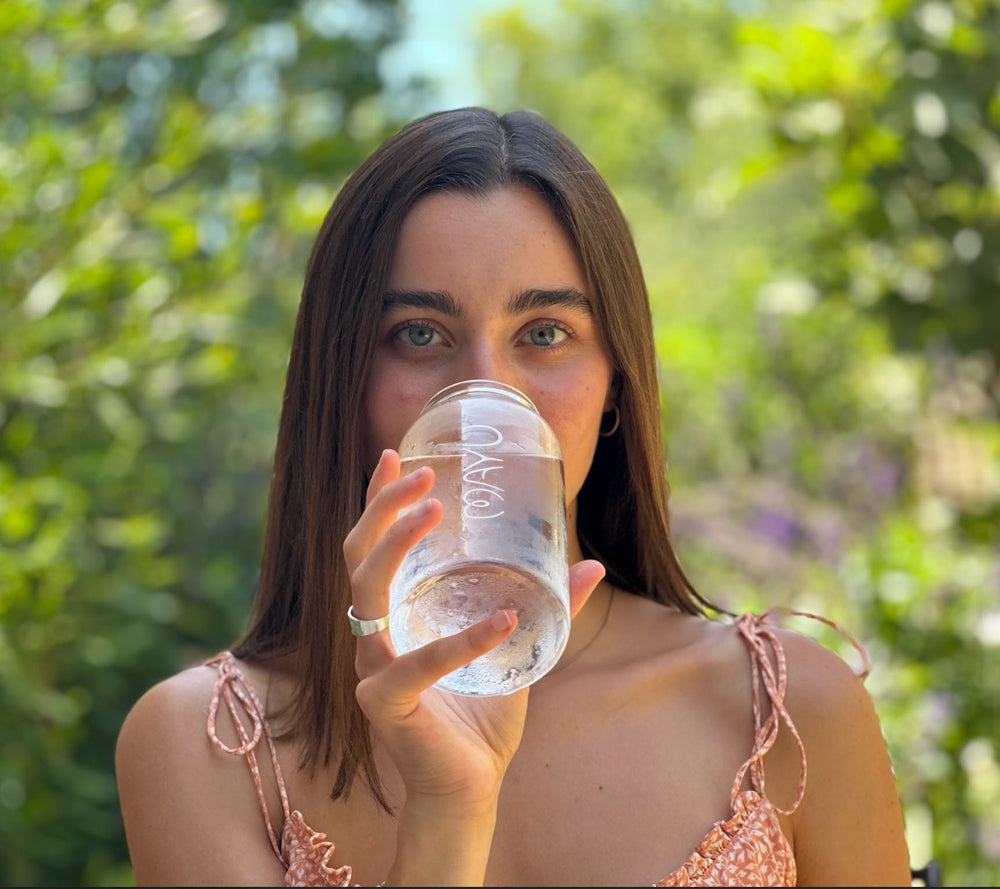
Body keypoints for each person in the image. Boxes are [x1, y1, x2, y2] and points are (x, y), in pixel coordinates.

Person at [115, 106, 912, 886]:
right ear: (343, 381)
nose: (486, 397)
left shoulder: (787, 713)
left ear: (613, 384)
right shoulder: (208, 745)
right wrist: (449, 812)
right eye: (421, 333)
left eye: (544, 333)